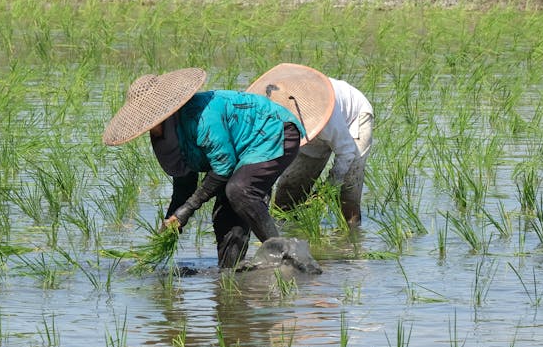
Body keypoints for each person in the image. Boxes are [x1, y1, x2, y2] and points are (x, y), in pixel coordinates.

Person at [102, 68, 306, 268]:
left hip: (272, 130)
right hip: (240, 151)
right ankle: (230, 272)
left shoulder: (201, 117)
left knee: (239, 191)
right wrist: (172, 220)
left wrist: (188, 209)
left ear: (163, 113)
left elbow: (224, 167)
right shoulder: (168, 136)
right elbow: (184, 183)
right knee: (224, 213)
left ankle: (289, 258)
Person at [256, 64, 374, 227]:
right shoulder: (274, 111)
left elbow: (347, 152)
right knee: (288, 192)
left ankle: (350, 241)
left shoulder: (327, 119)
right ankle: (285, 233)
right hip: (309, 125)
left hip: (354, 117)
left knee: (348, 189)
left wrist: (327, 189)